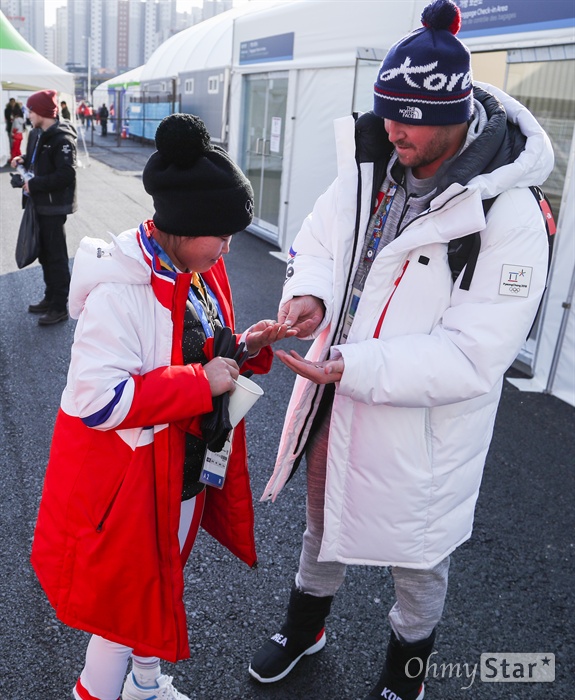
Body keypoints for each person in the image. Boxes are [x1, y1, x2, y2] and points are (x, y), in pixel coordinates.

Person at [248, 1, 554, 699]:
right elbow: (320, 240)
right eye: (387, 111)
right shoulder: (370, 165)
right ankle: (305, 627)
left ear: (457, 112)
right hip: (336, 387)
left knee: (419, 555)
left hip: (424, 425)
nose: (394, 129)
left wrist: (352, 365)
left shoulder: (507, 214)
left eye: (411, 116)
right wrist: (311, 295)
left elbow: (474, 356)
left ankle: (405, 672)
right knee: (321, 518)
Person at [30, 113, 295, 700]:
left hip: (179, 470)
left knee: (161, 583)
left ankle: (146, 686)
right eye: (222, 233)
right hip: (136, 480)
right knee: (126, 610)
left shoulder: (194, 268)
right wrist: (202, 383)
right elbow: (98, 401)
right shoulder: (124, 288)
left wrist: (245, 347)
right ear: (184, 223)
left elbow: (199, 347)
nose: (229, 247)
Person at [11, 89, 77, 326]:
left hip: (53, 207)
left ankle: (59, 306)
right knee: (45, 255)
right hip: (39, 203)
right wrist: (23, 161)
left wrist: (34, 184)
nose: (27, 113)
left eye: (30, 109)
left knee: (56, 257)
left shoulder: (62, 138)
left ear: (40, 111)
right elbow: (37, 162)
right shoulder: (38, 133)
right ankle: (50, 299)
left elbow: (66, 174)